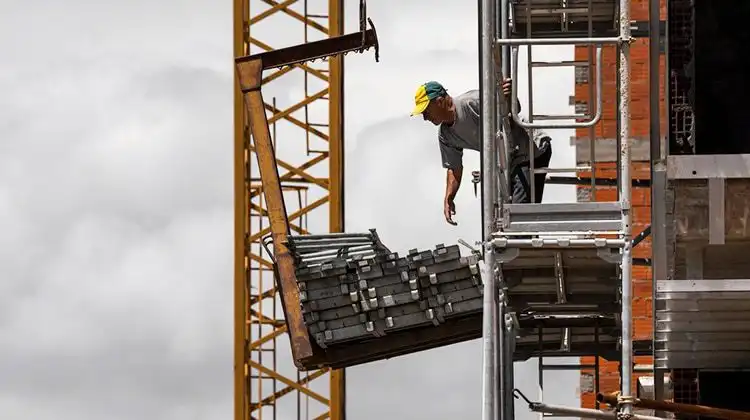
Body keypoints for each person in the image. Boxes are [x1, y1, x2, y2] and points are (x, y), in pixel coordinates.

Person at [411, 79, 552, 226]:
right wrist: (449, 198)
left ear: (439, 101)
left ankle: (525, 243)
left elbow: (515, 107)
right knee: (504, 217)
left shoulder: (471, 103)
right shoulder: (446, 135)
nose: (425, 118)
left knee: (517, 218)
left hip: (529, 149)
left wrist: (506, 98)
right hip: (507, 162)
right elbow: (454, 168)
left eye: (426, 111)